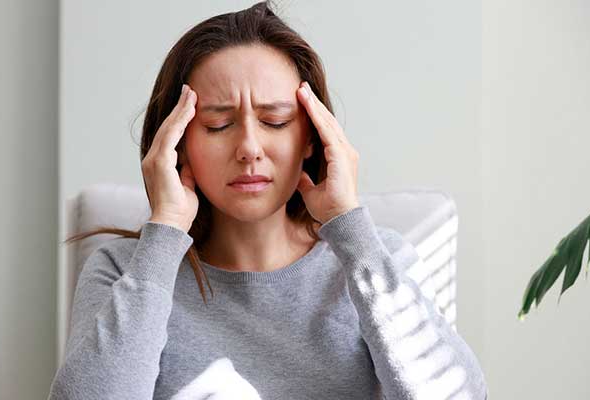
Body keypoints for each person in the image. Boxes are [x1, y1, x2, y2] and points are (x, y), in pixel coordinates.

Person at [47, 2, 488, 399]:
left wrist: (352, 229)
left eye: (275, 121)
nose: (249, 148)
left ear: (314, 137)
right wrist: (162, 238)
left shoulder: (379, 258)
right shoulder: (124, 269)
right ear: (176, 143)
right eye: (218, 125)